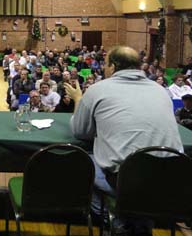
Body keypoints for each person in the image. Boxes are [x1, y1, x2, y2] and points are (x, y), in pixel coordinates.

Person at [65, 46, 183, 236]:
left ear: (112, 66)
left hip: (127, 180)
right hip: (168, 182)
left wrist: (78, 100)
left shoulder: (98, 90)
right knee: (140, 190)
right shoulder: (161, 91)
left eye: (106, 64)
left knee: (78, 160)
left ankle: (110, 218)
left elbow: (80, 131)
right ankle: (137, 221)